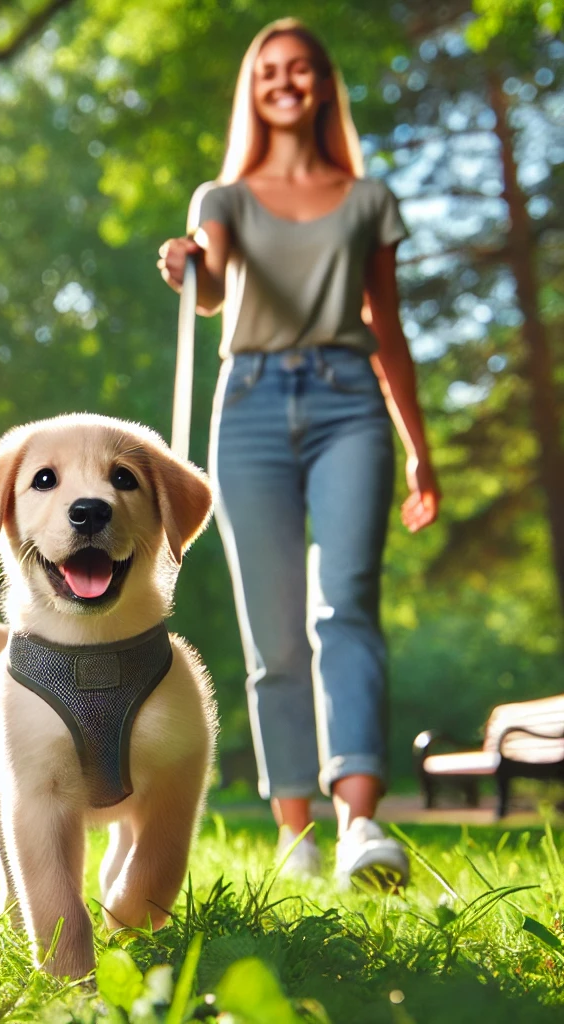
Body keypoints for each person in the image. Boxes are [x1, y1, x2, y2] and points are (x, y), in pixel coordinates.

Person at [157, 18, 440, 889]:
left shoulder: (367, 199)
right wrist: (188, 263)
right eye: (270, 70)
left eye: (302, 69)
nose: (286, 81)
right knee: (272, 634)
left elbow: (385, 326)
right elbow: (212, 280)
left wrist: (419, 450)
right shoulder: (225, 196)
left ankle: (360, 824)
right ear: (256, 88)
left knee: (346, 606)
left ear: (323, 85)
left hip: (350, 401)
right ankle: (296, 834)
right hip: (247, 405)